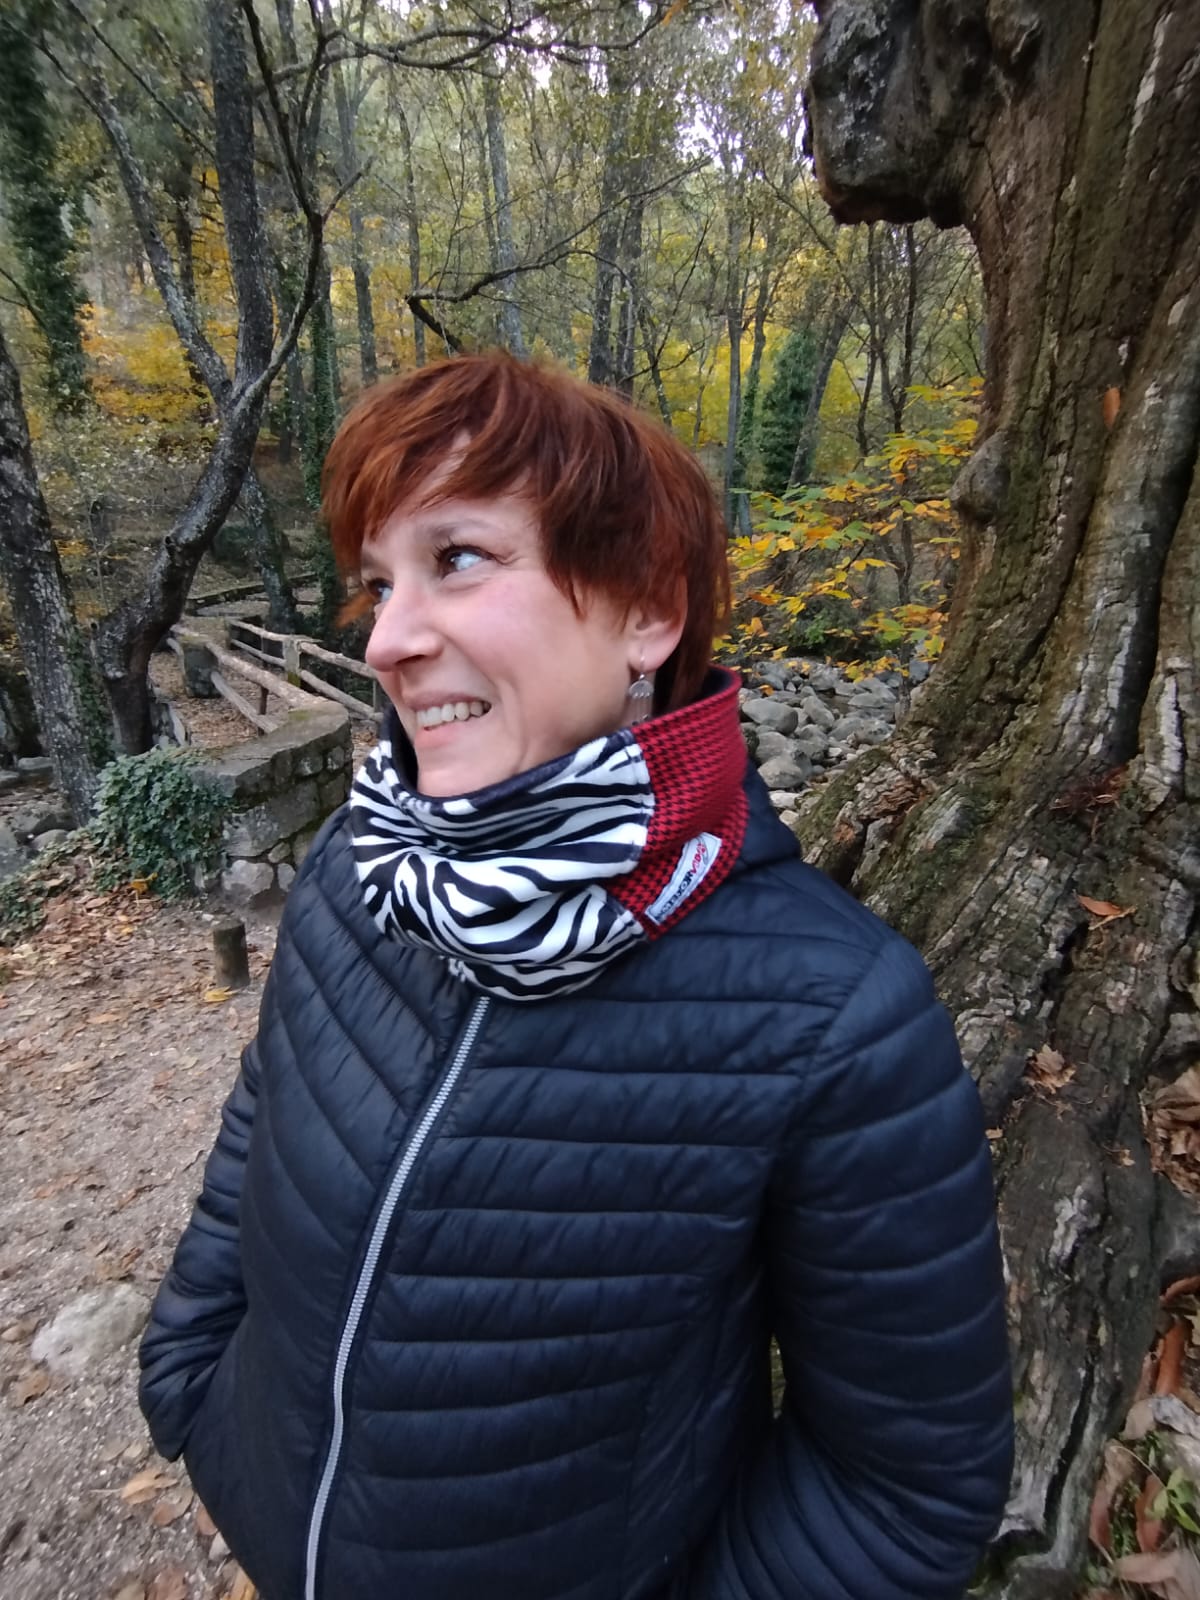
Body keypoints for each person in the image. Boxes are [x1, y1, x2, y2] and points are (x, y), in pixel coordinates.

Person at [139, 353, 1013, 1600]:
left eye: (458, 558)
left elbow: (903, 1489)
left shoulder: (835, 1016)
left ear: (646, 611)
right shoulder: (361, 864)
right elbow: (263, 1120)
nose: (387, 639)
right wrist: (192, 1373)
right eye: (379, 583)